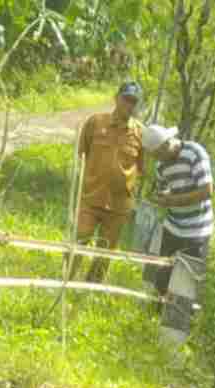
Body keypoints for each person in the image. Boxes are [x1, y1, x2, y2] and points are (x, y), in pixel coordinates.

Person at [72, 81, 146, 282]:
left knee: (105, 251)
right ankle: (66, 280)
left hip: (119, 204)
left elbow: (142, 168)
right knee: (80, 237)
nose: (129, 105)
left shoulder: (140, 133)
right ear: (116, 98)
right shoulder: (95, 122)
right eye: (126, 100)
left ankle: (91, 288)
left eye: (133, 102)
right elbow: (82, 153)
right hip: (91, 196)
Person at [141, 124, 213, 300]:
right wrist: (163, 197)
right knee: (163, 275)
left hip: (197, 229)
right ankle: (155, 313)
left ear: (167, 143)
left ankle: (178, 322)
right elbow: (167, 189)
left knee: (187, 282)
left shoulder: (195, 153)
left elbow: (207, 191)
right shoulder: (161, 166)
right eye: (155, 156)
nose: (158, 159)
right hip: (173, 226)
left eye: (159, 154)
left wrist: (173, 200)